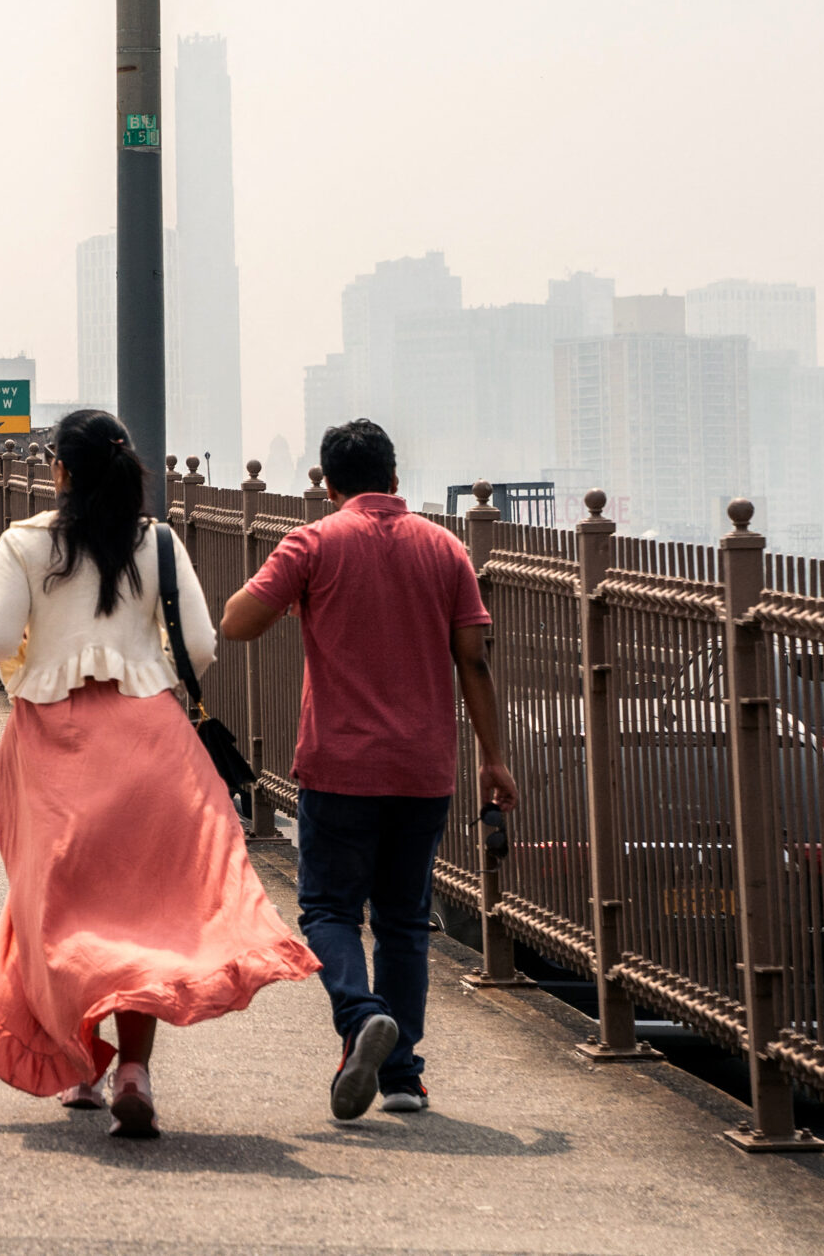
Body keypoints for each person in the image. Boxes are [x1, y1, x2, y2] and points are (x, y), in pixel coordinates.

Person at [0, 409, 316, 1139]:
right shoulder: (156, 542)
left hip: (51, 739)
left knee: (58, 904)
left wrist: (2, 638)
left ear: (58, 468)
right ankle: (133, 1069)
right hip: (149, 738)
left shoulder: (24, 542)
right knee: (143, 910)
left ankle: (80, 1067)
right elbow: (200, 646)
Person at [219, 418, 518, 1120]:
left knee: (327, 908)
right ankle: (403, 1078)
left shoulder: (314, 543)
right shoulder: (445, 549)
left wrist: (299, 593)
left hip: (338, 765)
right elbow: (472, 658)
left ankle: (359, 1018)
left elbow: (236, 622)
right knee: (404, 923)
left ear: (327, 486)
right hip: (424, 769)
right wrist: (494, 759)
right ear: (393, 479)